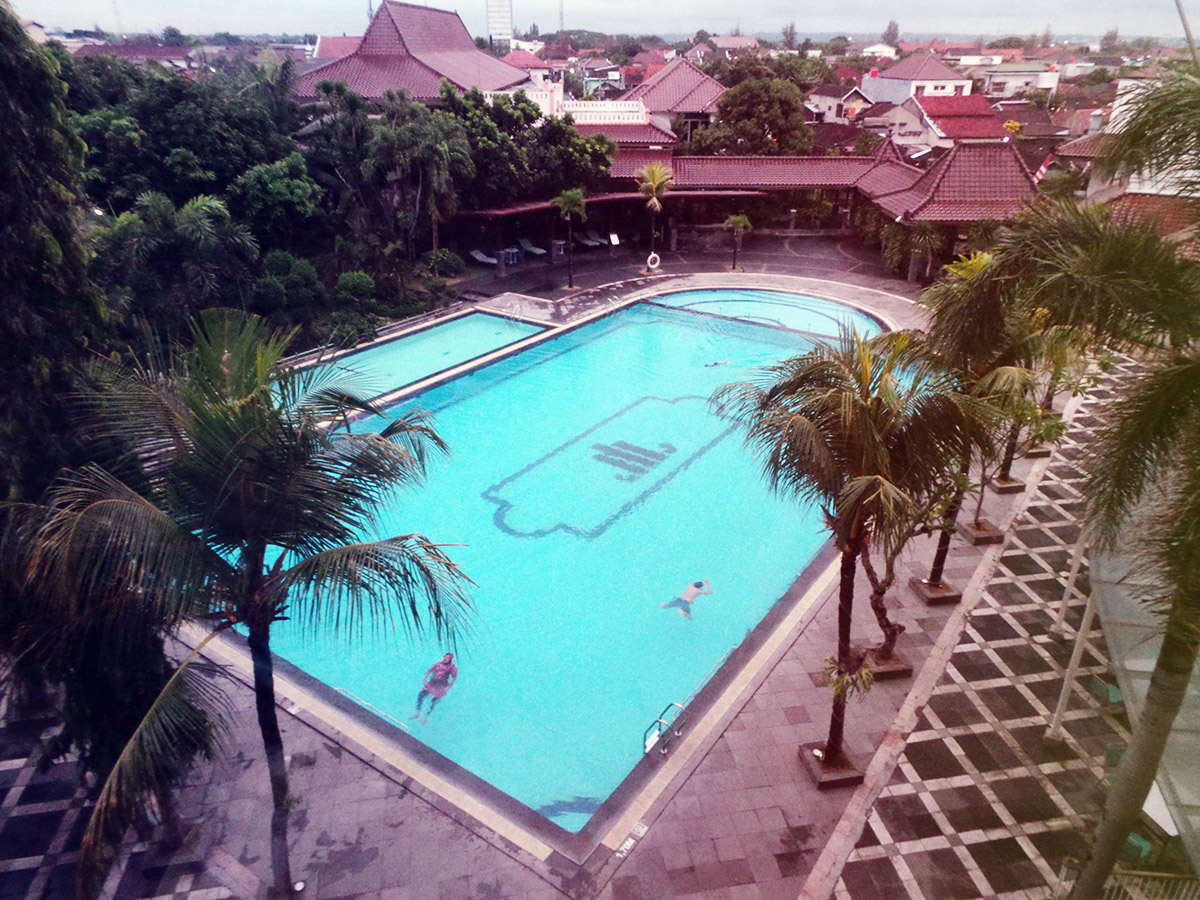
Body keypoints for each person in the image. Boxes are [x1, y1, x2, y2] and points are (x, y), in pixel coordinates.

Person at [410, 652, 458, 724]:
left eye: (447, 658)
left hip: (441, 686)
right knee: (421, 694)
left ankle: (425, 717)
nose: (445, 659)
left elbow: (454, 678)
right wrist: (425, 678)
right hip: (432, 683)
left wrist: (448, 687)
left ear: (450, 659)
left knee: (433, 701)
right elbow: (429, 671)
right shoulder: (438, 664)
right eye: (444, 657)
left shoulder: (452, 667)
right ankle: (418, 712)